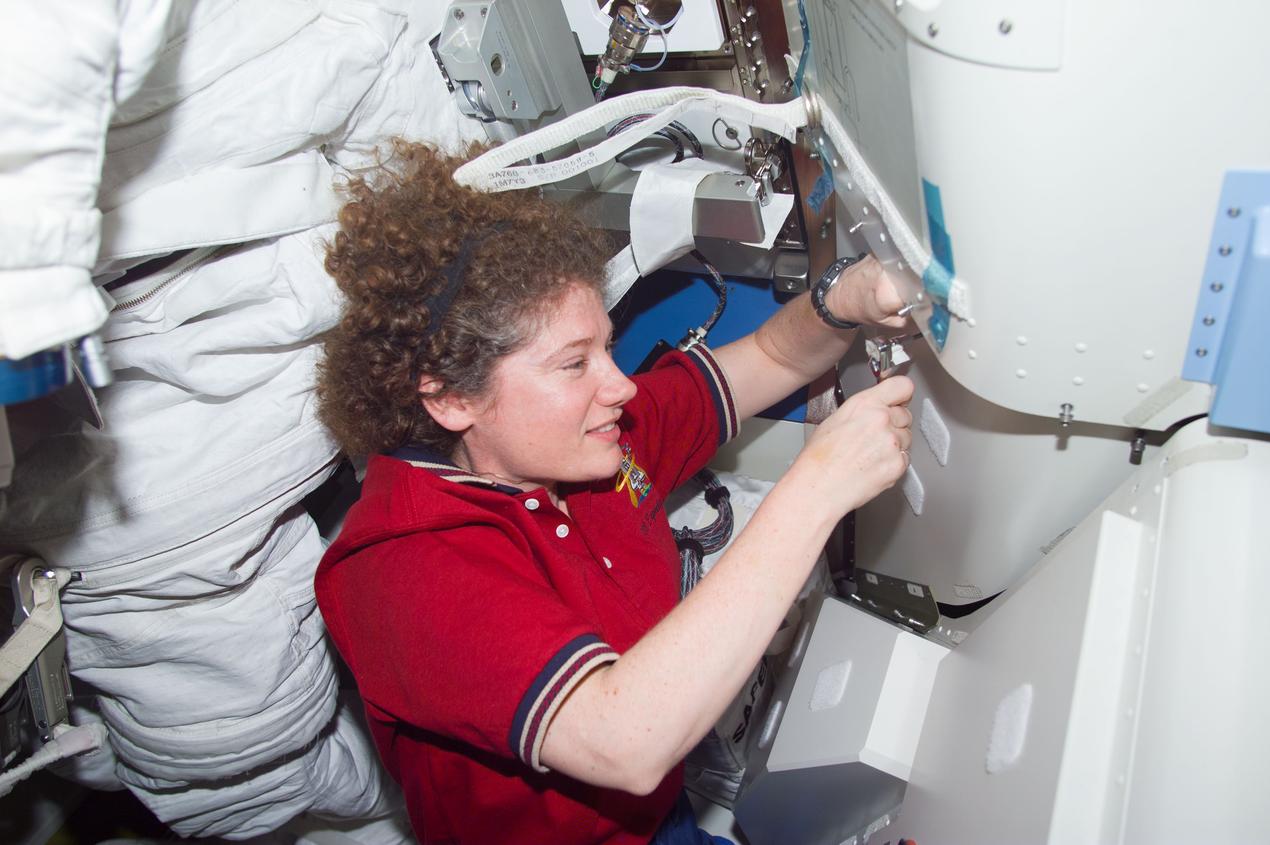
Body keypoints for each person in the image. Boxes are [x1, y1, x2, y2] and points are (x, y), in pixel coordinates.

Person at [313, 141, 915, 845]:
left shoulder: (588, 445)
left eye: (605, 344)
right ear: (450, 399)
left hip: (661, 819)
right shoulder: (399, 569)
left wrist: (842, 302)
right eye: (575, 363)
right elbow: (625, 739)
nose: (621, 385)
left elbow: (772, 358)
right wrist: (817, 486)